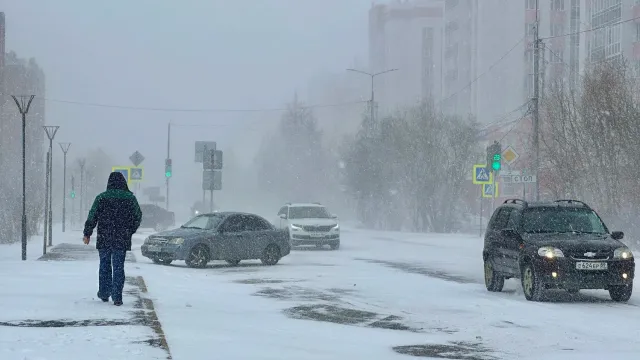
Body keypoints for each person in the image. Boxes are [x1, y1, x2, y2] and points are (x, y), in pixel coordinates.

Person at [83, 172, 142, 306]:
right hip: (121, 238)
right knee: (118, 266)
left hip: (104, 236)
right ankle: (117, 296)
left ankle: (104, 293)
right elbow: (138, 216)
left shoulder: (101, 198)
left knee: (104, 265)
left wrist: (87, 233)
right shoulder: (130, 198)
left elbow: (92, 216)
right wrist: (130, 230)